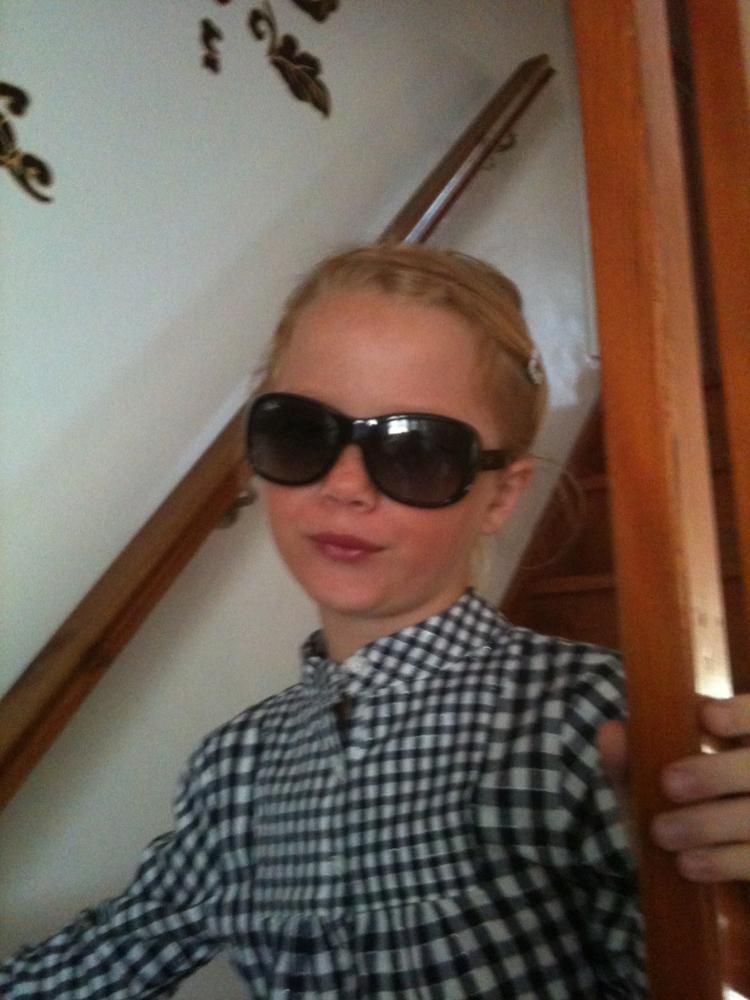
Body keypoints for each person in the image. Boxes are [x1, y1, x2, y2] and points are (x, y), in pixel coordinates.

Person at [2, 243, 749, 998]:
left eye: (417, 450)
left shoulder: (596, 718)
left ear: (499, 495)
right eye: (303, 432)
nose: (346, 485)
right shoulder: (234, 768)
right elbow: (108, 957)